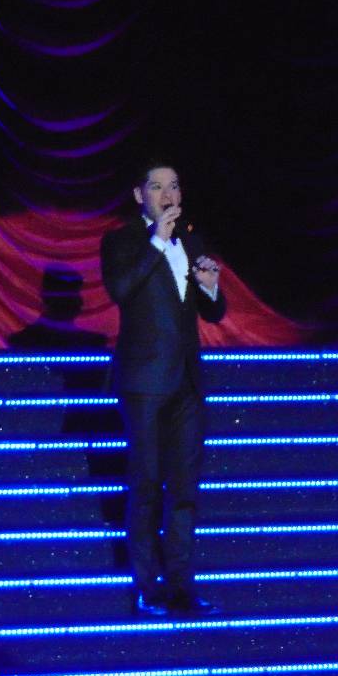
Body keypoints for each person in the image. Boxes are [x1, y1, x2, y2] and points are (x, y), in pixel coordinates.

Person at [100, 160, 227, 618]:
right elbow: (121, 289)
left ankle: (181, 586)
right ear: (140, 196)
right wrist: (156, 239)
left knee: (185, 490)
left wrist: (211, 288)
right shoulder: (122, 241)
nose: (167, 194)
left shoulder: (191, 241)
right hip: (144, 384)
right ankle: (146, 586)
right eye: (156, 187)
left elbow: (213, 313)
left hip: (187, 383)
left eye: (173, 186)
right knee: (147, 485)